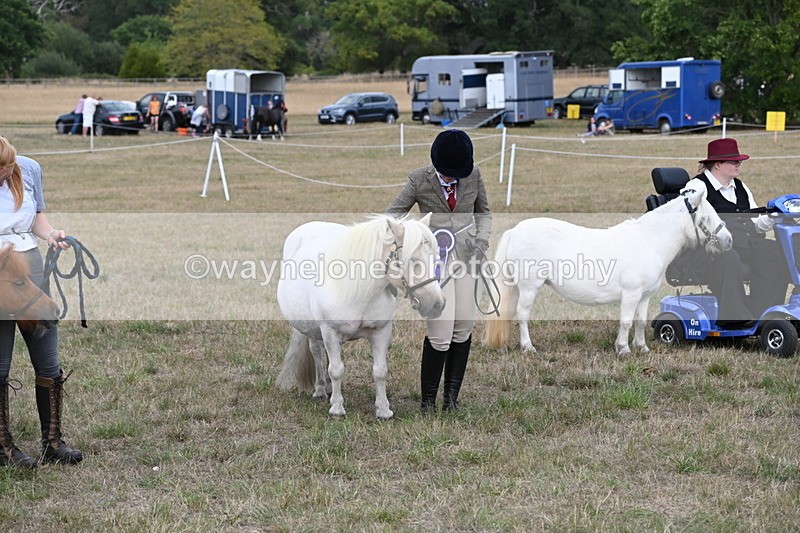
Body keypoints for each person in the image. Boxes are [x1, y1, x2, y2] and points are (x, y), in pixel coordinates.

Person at [386, 129, 492, 413]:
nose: (451, 179)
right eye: (446, 174)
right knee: (441, 334)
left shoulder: (474, 175)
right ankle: (428, 401)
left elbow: (483, 213)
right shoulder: (419, 179)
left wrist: (482, 240)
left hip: (468, 259)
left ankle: (452, 398)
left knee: (463, 328)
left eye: (455, 175)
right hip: (435, 263)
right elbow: (392, 216)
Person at [0, 136, 83, 468]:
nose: (6, 174)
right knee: (0, 365)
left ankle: (53, 442)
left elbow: (36, 217)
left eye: (8, 167)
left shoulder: (29, 169)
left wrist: (51, 235)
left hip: (31, 266)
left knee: (47, 359)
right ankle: (4, 448)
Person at [681, 137, 790, 329]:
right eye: (734, 161)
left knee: (777, 253)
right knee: (728, 256)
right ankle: (734, 318)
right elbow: (685, 213)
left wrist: (773, 215)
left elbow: (756, 224)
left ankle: (763, 313)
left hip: (746, 242)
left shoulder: (740, 187)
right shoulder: (697, 186)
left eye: (738, 160)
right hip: (708, 249)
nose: (738, 164)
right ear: (717, 165)